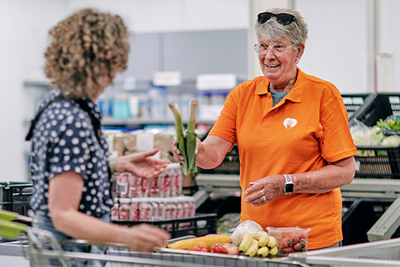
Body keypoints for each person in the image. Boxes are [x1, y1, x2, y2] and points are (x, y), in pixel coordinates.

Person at [172, 7, 357, 250]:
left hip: (312, 240)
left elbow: (345, 171)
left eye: (278, 47)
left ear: (299, 51)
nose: (268, 55)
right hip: (256, 238)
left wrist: (286, 183)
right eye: (262, 46)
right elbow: (212, 156)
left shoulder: (323, 95)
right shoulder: (242, 95)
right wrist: (193, 150)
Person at [27, 8, 171, 264]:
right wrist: (127, 236)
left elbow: (61, 171)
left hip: (59, 250)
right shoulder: (72, 119)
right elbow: (63, 214)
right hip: (70, 252)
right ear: (101, 63)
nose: (115, 74)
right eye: (114, 64)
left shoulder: (56, 103)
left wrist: (118, 163)